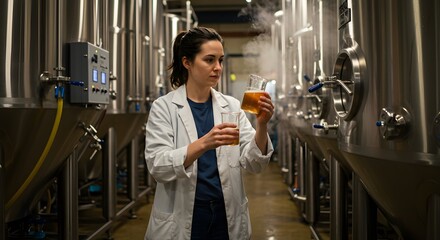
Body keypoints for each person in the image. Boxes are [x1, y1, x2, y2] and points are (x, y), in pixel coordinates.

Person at [144, 26, 275, 240]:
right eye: (209, 60)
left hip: (226, 213)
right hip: (186, 214)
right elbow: (158, 166)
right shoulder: (164, 107)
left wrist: (261, 125)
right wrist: (205, 143)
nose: (218, 68)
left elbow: (254, 163)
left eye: (221, 60)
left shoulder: (231, 106)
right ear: (187, 62)